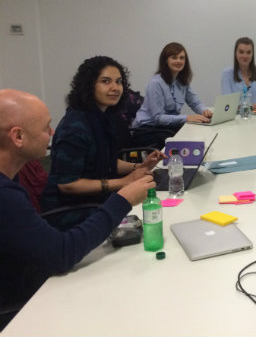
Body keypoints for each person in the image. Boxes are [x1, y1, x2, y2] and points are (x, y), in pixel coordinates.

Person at [0, 89, 154, 327]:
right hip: (23, 306)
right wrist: (122, 199)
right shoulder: (5, 195)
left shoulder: (12, 178)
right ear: (17, 136)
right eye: (45, 128)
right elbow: (61, 254)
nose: (52, 133)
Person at [41, 56, 166, 230]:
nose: (115, 88)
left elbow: (107, 161)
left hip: (98, 200)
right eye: (105, 81)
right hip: (70, 211)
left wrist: (138, 167)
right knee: (152, 218)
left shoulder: (102, 118)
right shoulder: (74, 127)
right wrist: (123, 183)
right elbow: (67, 184)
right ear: (89, 85)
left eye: (119, 82)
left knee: (156, 209)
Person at [132, 42, 212, 134]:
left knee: (198, 130)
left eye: (182, 58)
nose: (179, 61)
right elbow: (158, 118)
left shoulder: (182, 81)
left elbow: (195, 102)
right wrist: (187, 118)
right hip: (147, 129)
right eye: (174, 57)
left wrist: (204, 111)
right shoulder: (156, 83)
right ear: (166, 60)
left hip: (167, 127)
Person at [221, 37, 256, 110]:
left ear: (252, 54)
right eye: (241, 52)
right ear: (236, 53)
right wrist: (249, 107)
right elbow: (227, 104)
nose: (245, 56)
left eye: (248, 52)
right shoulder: (227, 74)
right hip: (237, 118)